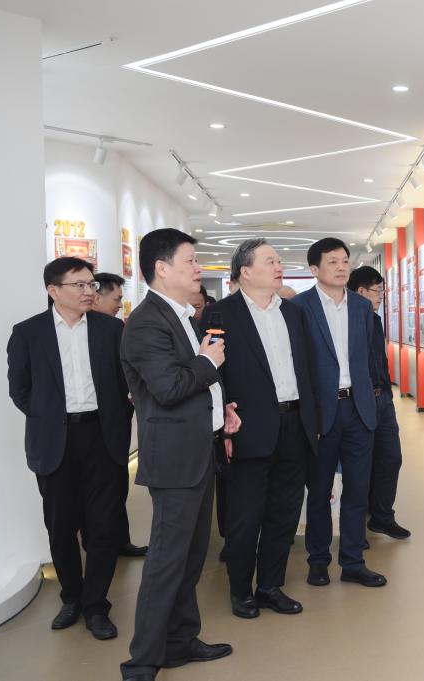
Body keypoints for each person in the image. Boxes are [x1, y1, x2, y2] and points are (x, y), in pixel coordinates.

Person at [119, 229, 239, 681]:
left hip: (198, 448)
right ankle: (142, 662)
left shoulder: (182, 316)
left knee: (190, 557)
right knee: (167, 562)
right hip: (174, 460)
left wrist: (221, 408)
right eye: (190, 260)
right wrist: (208, 363)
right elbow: (169, 388)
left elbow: (192, 383)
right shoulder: (147, 322)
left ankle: (180, 640)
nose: (198, 268)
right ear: (162, 268)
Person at [7, 257, 134, 640]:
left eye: (91, 284)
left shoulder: (111, 329)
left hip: (102, 438)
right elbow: (20, 390)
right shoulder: (29, 333)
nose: (88, 291)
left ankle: (96, 605)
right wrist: (51, 419)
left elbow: (125, 384)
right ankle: (72, 598)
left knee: (103, 527)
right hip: (55, 442)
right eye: (79, 285)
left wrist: (117, 420)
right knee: (61, 527)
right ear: (53, 290)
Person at [206, 239, 317, 619]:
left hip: (294, 424)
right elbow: (211, 374)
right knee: (244, 517)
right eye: (270, 261)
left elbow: (307, 368)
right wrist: (222, 425)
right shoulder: (220, 314)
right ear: (246, 271)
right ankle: (241, 591)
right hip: (246, 428)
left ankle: (270, 586)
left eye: (279, 260)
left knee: (284, 514)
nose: (279, 266)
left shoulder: (294, 313)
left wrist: (313, 421)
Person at [291, 238, 385, 588]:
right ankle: (318, 561)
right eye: (332, 262)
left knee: (358, 491)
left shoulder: (361, 307)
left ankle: (353, 562)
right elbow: (298, 367)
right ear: (314, 269)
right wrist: (308, 416)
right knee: (319, 491)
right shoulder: (299, 308)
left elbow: (369, 360)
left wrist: (374, 402)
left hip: (359, 410)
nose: (342, 267)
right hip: (322, 413)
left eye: (345, 261)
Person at [348, 266, 411, 541]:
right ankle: (356, 525)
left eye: (382, 290)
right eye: (377, 290)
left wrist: (386, 389)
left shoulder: (375, 320)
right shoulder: (348, 320)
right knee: (361, 464)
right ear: (360, 291)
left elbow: (378, 360)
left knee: (391, 458)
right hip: (359, 401)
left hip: (382, 398)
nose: (381, 296)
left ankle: (382, 517)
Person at [91, 272, 149, 558]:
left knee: (115, 484)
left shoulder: (114, 329)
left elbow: (126, 375)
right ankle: (97, 542)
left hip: (113, 424)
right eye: (116, 299)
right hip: (79, 428)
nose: (119, 305)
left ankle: (118, 541)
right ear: (97, 296)